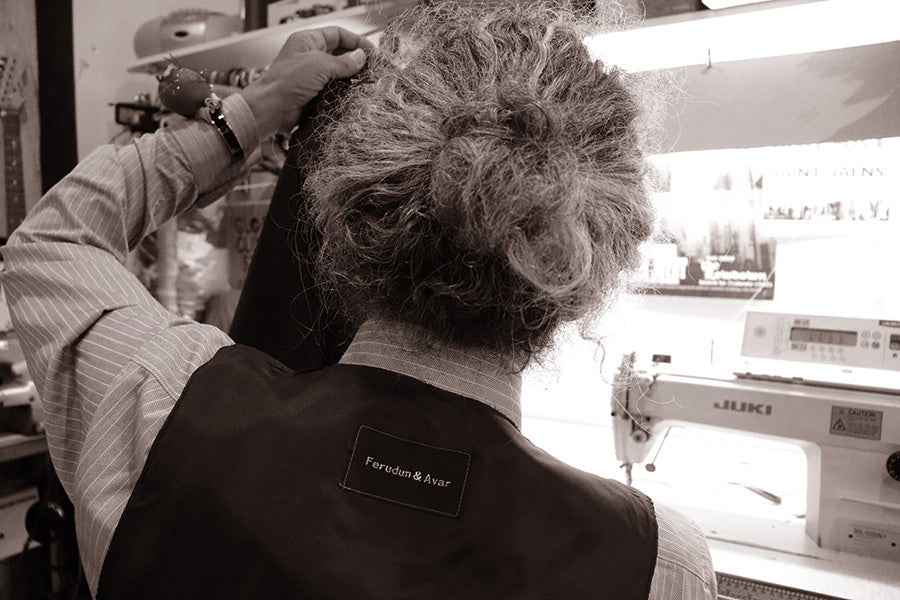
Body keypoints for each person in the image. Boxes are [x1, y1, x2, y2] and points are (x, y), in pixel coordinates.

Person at [1, 1, 716, 598]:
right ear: (595, 262)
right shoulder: (655, 566)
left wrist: (246, 115)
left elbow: (52, 241)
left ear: (348, 205)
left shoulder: (160, 407)